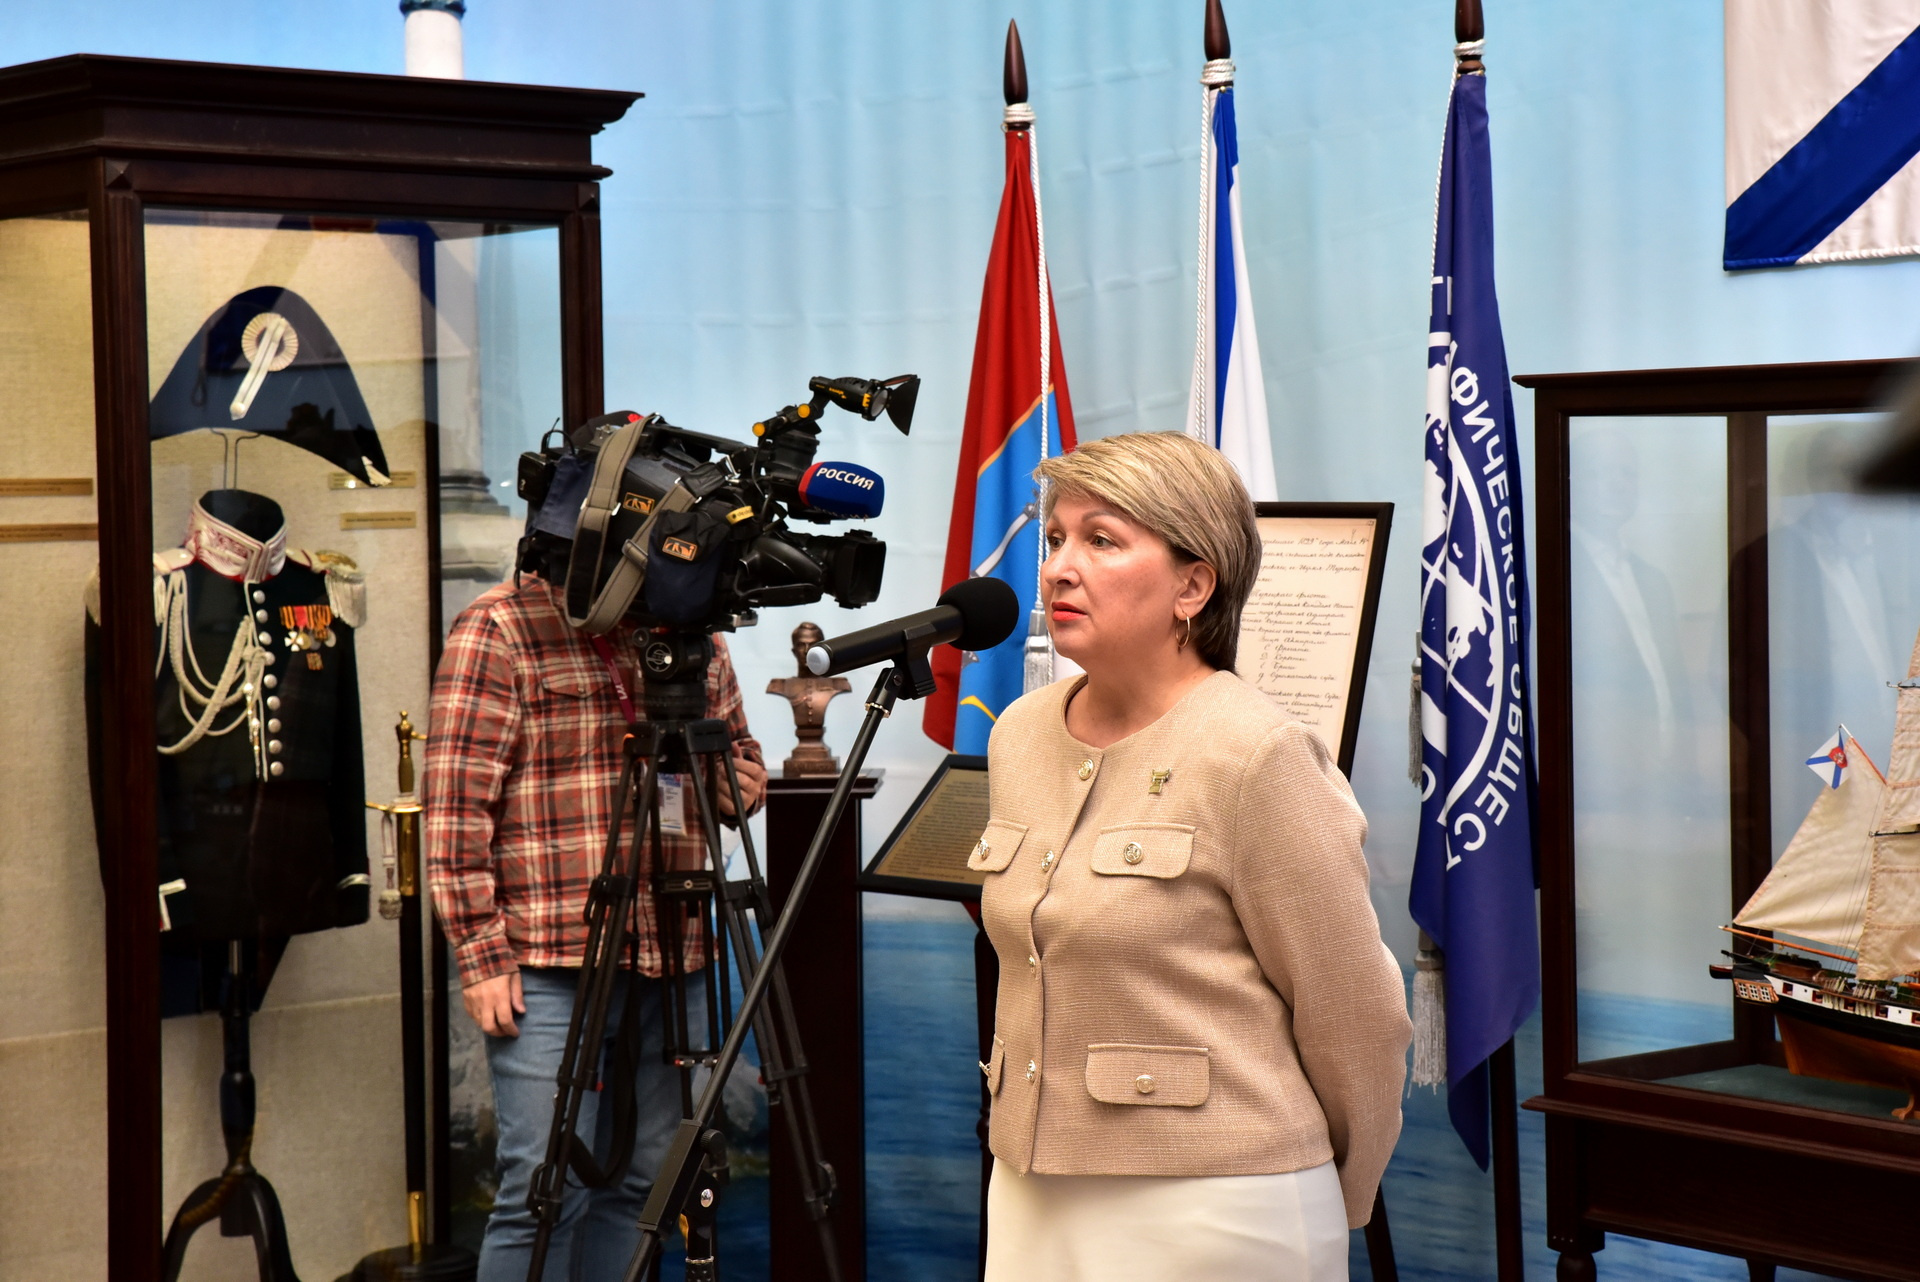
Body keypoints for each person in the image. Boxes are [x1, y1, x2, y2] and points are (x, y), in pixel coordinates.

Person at [971, 432, 1410, 1281]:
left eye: (1102, 540)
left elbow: (1353, 1013)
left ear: (1193, 586)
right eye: (1055, 538)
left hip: (1222, 1203)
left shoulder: (1258, 753)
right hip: (1029, 1189)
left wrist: (1334, 1192)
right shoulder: (1019, 735)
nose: (1059, 568)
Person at [424, 571, 767, 1282]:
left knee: (647, 1187)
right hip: (550, 959)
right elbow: (456, 808)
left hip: (676, 949)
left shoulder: (693, 627)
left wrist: (733, 781)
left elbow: (741, 760)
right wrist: (481, 953)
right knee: (543, 1193)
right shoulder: (500, 626)